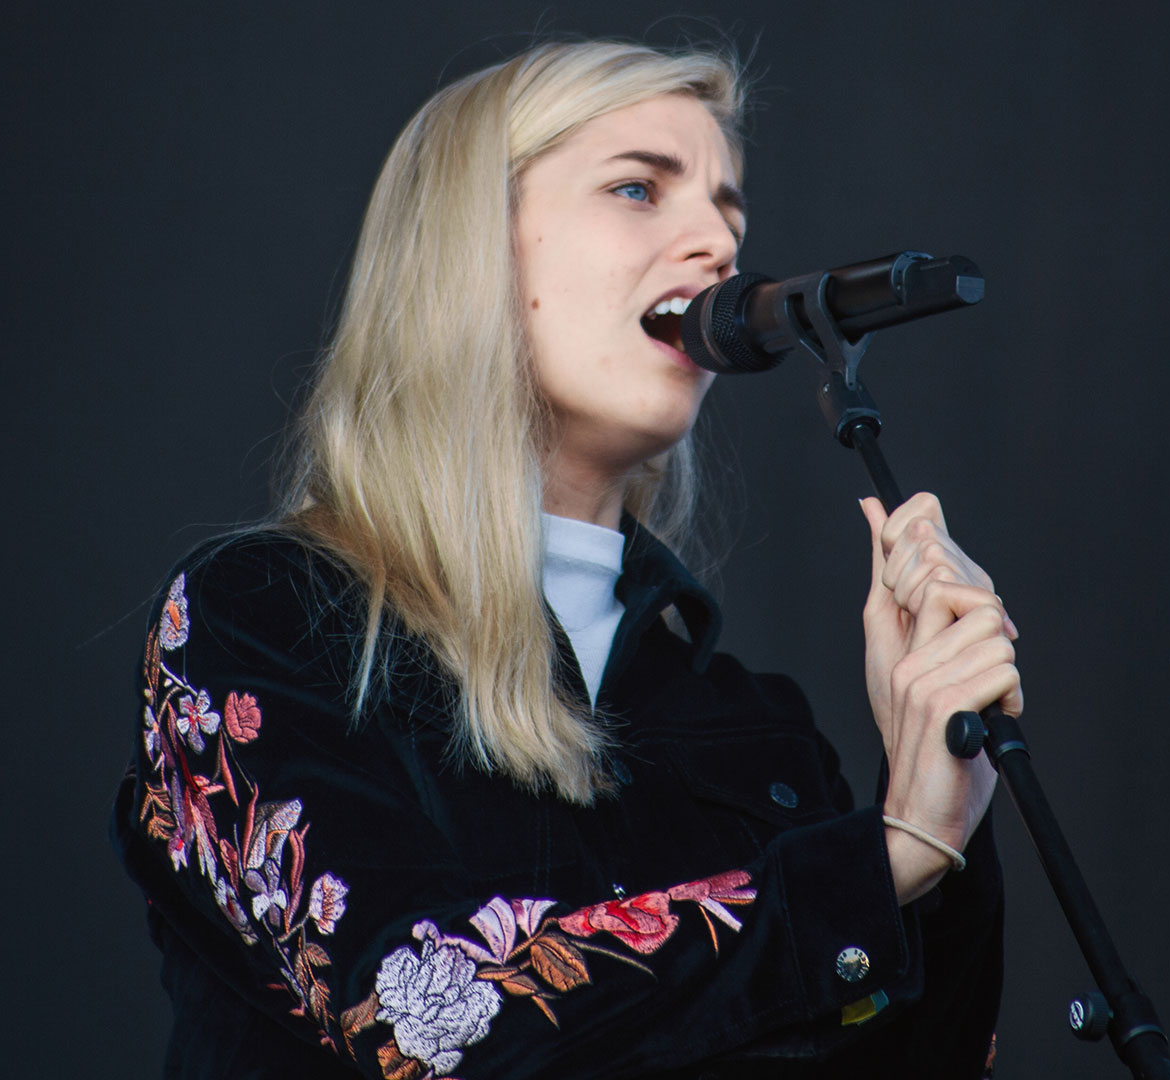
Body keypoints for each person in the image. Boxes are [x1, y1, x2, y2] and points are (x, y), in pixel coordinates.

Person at [111, 38, 1021, 1079]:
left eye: (730, 216)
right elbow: (422, 1022)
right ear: (472, 246)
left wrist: (942, 814)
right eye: (639, 189)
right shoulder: (259, 618)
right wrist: (877, 865)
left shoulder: (755, 729)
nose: (718, 247)